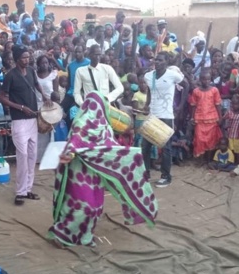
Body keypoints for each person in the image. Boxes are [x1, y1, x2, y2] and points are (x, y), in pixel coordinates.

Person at [48, 91, 158, 248]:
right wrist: (71, 152)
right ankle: (62, 236)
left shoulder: (104, 124)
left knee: (96, 207)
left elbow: (109, 145)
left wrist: (127, 156)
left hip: (95, 174)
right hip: (79, 173)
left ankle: (84, 237)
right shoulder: (82, 122)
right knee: (83, 207)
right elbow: (76, 139)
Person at [0, 45, 51, 206]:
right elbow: (2, 98)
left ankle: (28, 189)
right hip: (19, 120)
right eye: (23, 57)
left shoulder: (31, 71)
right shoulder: (10, 76)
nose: (27, 60)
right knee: (22, 157)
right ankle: (20, 192)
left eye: (28, 57)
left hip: (32, 119)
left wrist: (43, 95)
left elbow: (36, 84)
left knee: (32, 155)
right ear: (16, 59)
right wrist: (21, 107)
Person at [143, 52, 188, 187]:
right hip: (152, 115)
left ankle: (166, 176)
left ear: (167, 62)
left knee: (166, 147)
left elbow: (186, 85)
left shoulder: (173, 75)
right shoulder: (148, 76)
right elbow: (151, 90)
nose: (157, 62)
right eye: (156, 60)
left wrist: (180, 106)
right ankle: (145, 173)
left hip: (166, 116)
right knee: (145, 146)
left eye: (161, 60)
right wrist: (147, 104)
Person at [190, 71, 222, 162]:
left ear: (210, 80)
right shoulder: (196, 91)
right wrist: (192, 117)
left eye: (208, 79)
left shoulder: (214, 90)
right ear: (200, 80)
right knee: (199, 139)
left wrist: (220, 117)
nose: (206, 81)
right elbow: (193, 105)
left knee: (211, 139)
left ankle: (208, 160)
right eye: (204, 79)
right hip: (199, 118)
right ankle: (201, 159)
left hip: (212, 118)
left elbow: (218, 104)